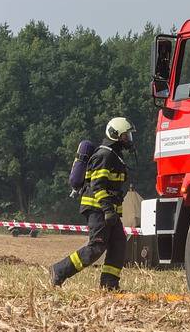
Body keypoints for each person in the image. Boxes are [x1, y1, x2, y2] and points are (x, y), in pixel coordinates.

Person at [50, 117, 134, 290]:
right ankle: (59, 270)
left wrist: (112, 211)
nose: (129, 140)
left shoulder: (115, 155)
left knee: (118, 244)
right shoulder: (105, 155)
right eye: (126, 136)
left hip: (109, 210)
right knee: (96, 247)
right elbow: (97, 185)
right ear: (115, 135)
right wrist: (107, 209)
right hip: (98, 208)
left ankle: (109, 285)